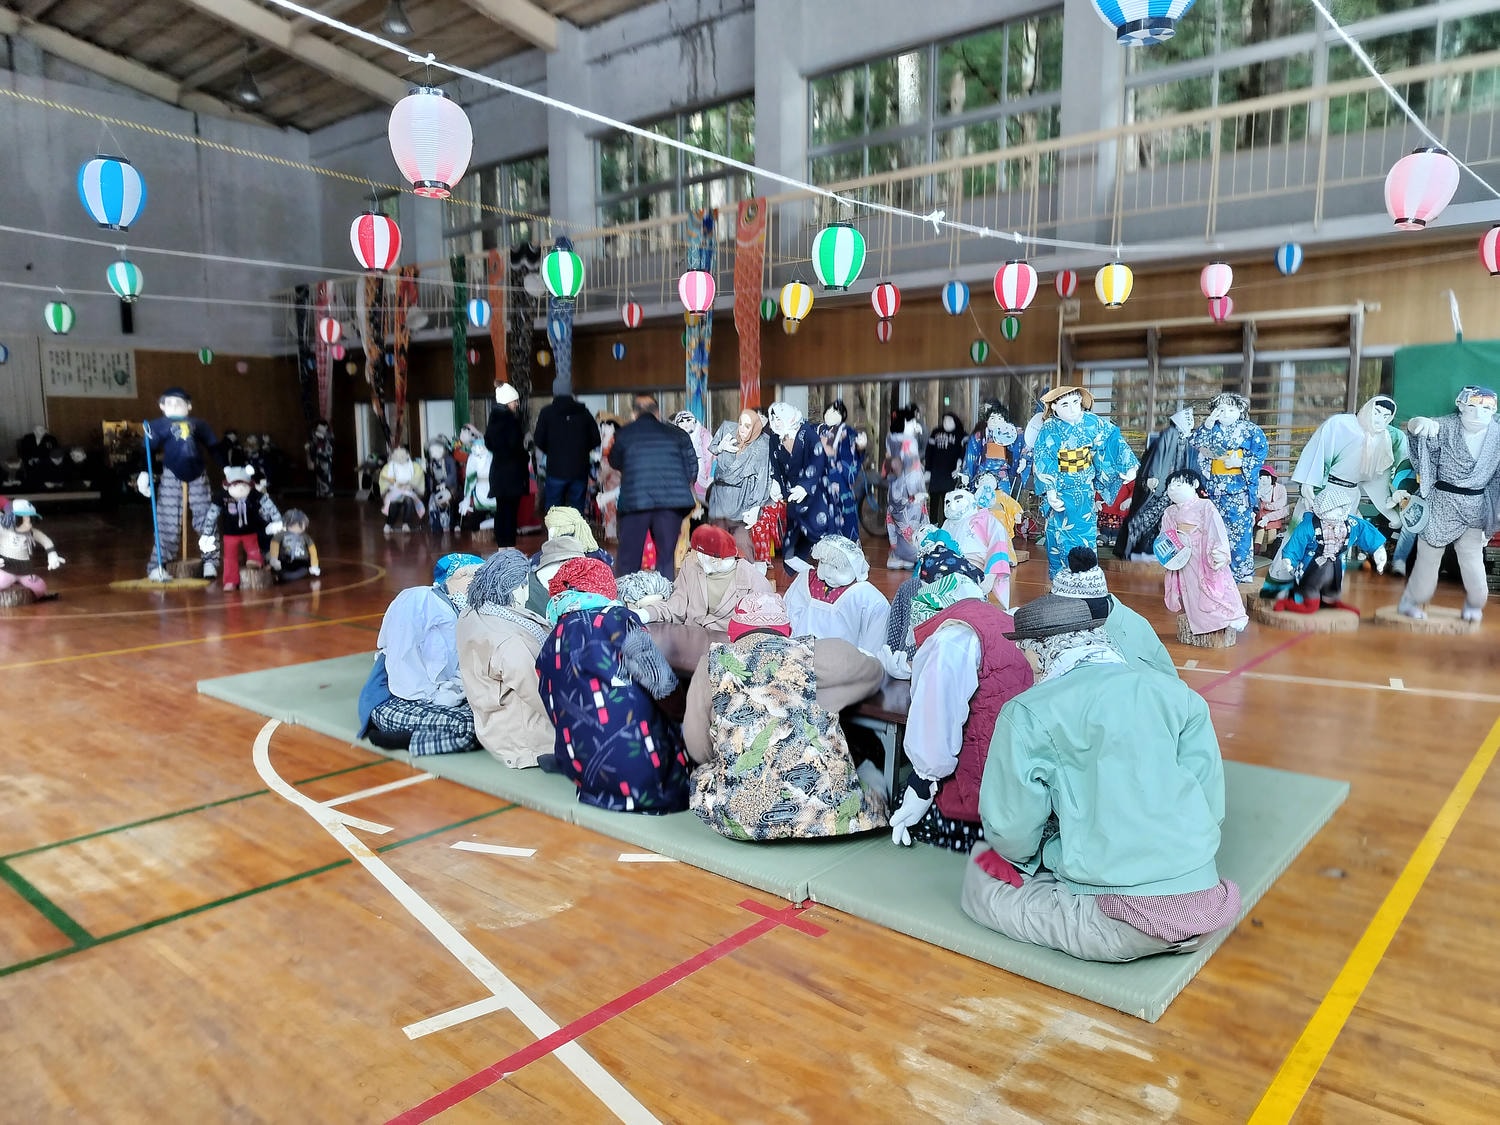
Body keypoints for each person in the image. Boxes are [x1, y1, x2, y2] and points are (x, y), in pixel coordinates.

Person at [960, 582, 1241, 962]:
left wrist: (1028, 857)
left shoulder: (1026, 712)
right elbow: (1210, 805)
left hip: (1122, 920)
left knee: (981, 880)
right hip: (1206, 900)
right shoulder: (1178, 695)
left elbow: (1010, 831)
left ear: (1039, 652)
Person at [683, 592, 888, 841]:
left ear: (733, 632)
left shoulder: (711, 663)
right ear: (787, 629)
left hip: (742, 821)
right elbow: (874, 672)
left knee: (701, 775)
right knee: (873, 777)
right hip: (826, 819)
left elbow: (696, 745)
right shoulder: (815, 654)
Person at [889, 573, 1033, 854]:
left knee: (893, 803)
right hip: (1021, 778)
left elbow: (936, 718)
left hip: (981, 795)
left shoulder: (951, 639)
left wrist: (921, 783)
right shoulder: (1006, 621)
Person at [534, 557, 690, 813]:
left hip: (589, 780)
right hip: (648, 781)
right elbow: (662, 684)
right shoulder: (617, 620)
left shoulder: (552, 640)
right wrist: (684, 715)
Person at [360, 554, 485, 757]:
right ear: (453, 577)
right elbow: (403, 661)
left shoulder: (463, 612)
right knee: (469, 727)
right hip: (397, 697)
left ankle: (421, 730)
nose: (475, 585)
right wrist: (436, 696)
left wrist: (456, 691)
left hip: (438, 696)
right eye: (469, 577)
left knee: (490, 718)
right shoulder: (418, 600)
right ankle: (410, 740)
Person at [1397, 385, 1500, 623]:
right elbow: (1418, 439)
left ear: (1494, 410)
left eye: (1486, 408)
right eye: (1472, 406)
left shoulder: (1497, 434)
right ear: (1461, 405)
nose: (1478, 414)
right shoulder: (1443, 426)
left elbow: (1497, 480)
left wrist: (1492, 516)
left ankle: (1475, 604)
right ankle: (1411, 601)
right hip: (1442, 500)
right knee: (1428, 556)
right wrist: (1415, 425)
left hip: (1476, 503)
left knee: (1472, 557)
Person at [456, 549, 555, 769]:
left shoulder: (471, 613)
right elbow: (540, 696)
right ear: (518, 587)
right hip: (524, 739)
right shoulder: (508, 642)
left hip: (492, 722)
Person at [1031, 386, 1139, 577]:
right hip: (1061, 489)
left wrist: (1128, 466)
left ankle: (1086, 577)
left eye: (1075, 402)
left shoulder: (1092, 422)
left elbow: (1112, 440)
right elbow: (1043, 458)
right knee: (1057, 535)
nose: (1072, 409)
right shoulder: (1049, 428)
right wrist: (1050, 490)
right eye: (1065, 404)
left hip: (1085, 490)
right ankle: (1060, 578)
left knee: (1085, 535)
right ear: (1054, 407)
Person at [607, 394, 699, 579]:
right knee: (666, 558)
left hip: (635, 502)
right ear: (657, 412)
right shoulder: (677, 434)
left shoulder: (625, 433)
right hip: (671, 503)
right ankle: (666, 602)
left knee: (628, 559)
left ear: (634, 413)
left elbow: (615, 461)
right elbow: (692, 468)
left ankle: (627, 601)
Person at [137, 387, 219, 580]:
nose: (174, 406)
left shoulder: (199, 424)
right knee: (167, 519)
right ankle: (158, 565)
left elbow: (214, 446)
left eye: (179, 403)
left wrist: (228, 469)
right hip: (171, 474)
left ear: (189, 406)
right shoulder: (157, 425)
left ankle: (210, 561)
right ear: (162, 406)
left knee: (207, 517)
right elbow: (147, 450)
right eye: (169, 403)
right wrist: (144, 472)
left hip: (198, 474)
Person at [1266, 485, 1388, 615]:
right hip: (1312, 564)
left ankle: (1331, 600)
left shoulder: (1349, 524)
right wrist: (1289, 560)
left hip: (1335, 564)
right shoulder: (1309, 526)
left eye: (1342, 508)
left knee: (1331, 591)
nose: (1339, 512)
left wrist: (1378, 549)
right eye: (1334, 509)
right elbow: (1297, 541)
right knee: (1310, 602)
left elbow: (1364, 530)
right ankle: (1286, 603)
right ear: (1322, 509)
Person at [1158, 469, 1250, 636]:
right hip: (1183, 556)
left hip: (1203, 553)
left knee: (1214, 586)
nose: (1173, 488)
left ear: (1194, 485)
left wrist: (1219, 552)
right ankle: (1201, 622)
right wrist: (1167, 555)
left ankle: (1231, 617)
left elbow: (1215, 528)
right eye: (1170, 485)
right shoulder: (1170, 511)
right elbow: (1165, 536)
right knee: (1192, 590)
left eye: (1179, 484)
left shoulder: (1205, 505)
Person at [1189, 392, 1268, 583]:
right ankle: (1215, 570)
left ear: (1240, 410)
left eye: (1231, 409)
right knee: (1214, 529)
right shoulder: (1210, 428)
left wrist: (1240, 461)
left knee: (1239, 531)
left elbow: (1261, 452)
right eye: (1221, 409)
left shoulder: (1250, 430)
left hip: (1238, 488)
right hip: (1214, 488)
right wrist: (1207, 425)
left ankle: (1241, 571)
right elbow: (1194, 443)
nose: (1226, 413)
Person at [634, 524, 773, 629]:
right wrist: (643, 614)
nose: (698, 558)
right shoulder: (691, 566)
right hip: (689, 642)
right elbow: (676, 607)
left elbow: (762, 630)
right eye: (696, 553)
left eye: (705, 556)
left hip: (729, 651)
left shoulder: (754, 582)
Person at [783, 534, 891, 657]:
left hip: (843, 668)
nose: (827, 573)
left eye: (836, 567)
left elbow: (874, 646)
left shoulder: (869, 598)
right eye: (823, 563)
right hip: (797, 659)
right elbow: (787, 614)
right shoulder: (804, 579)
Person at [1116, 407, 1197, 561]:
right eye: (1188, 419)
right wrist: (1153, 476)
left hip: (1175, 484)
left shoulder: (1185, 437)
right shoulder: (1169, 434)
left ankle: (1157, 551)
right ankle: (1136, 549)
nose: (1191, 422)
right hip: (1162, 484)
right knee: (1148, 515)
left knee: (1165, 519)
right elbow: (1157, 456)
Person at [201, 466, 283, 592]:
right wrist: (207, 534)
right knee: (229, 558)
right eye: (235, 486)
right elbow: (211, 515)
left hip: (250, 532)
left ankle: (256, 562)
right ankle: (230, 581)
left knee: (254, 550)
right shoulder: (221, 496)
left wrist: (278, 520)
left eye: (244, 486)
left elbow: (269, 505)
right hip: (230, 534)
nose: (240, 489)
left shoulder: (254, 494)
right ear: (228, 485)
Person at [706, 410, 772, 558]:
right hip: (720, 496)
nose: (741, 428)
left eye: (747, 426)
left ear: (755, 427)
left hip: (742, 499)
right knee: (717, 544)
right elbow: (712, 447)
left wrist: (755, 506)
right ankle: (718, 578)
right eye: (741, 423)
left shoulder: (762, 445)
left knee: (742, 544)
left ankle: (745, 577)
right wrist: (720, 448)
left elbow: (762, 479)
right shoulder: (728, 429)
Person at [533, 374, 601, 515]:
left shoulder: (546, 413)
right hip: (579, 469)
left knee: (554, 510)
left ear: (554, 392)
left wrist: (552, 451)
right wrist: (581, 451)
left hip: (555, 469)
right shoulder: (583, 412)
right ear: (571, 391)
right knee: (577, 510)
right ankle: (574, 537)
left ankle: (555, 537)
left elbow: (538, 440)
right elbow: (596, 439)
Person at [483, 383, 531, 548]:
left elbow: (489, 444)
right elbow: (515, 448)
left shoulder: (492, 420)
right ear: (507, 401)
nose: (516, 404)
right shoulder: (511, 421)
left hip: (498, 473)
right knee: (510, 513)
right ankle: (509, 547)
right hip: (512, 474)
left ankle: (502, 547)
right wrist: (525, 454)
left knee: (501, 511)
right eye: (514, 401)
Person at [818, 400, 864, 541]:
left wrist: (860, 448)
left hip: (840, 481)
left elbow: (851, 457)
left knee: (844, 516)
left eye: (834, 412)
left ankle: (848, 551)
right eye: (828, 411)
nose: (829, 414)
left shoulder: (848, 432)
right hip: (821, 481)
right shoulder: (821, 429)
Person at [0, 499, 63, 601]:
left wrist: (52, 554)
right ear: (10, 519)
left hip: (24, 570)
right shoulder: (3, 530)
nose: (28, 523)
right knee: (2, 581)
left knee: (40, 587)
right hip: (5, 568)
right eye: (22, 519)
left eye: (31, 519)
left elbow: (45, 540)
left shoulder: (31, 532)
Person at [925, 410, 968, 519]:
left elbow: (964, 452)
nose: (946, 422)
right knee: (934, 499)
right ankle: (932, 524)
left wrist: (959, 467)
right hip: (936, 472)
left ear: (955, 421)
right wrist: (928, 470)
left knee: (948, 500)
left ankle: (945, 526)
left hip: (950, 473)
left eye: (949, 420)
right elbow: (929, 452)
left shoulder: (961, 434)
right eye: (944, 420)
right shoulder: (936, 432)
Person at [268, 509, 320, 582]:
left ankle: (285, 576)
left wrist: (314, 564)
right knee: (279, 569)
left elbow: (312, 549)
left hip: (301, 562)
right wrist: (274, 558)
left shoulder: (305, 537)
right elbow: (274, 544)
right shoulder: (281, 535)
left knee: (294, 572)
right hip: (285, 560)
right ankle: (281, 574)